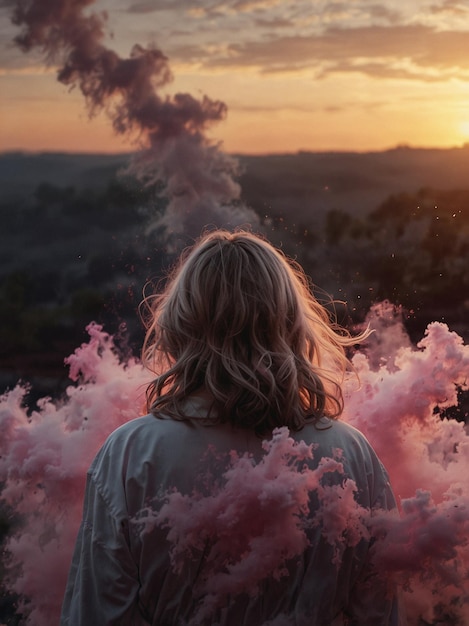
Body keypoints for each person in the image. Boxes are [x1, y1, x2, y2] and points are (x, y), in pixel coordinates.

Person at [61, 230, 403, 626]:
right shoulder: (353, 454)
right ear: (291, 323)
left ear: (181, 322)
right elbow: (380, 615)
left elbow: (96, 615)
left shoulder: (129, 455)